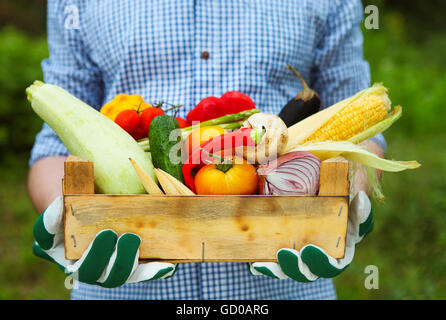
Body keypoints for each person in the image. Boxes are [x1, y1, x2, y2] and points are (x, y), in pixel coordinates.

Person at [28, 0, 386, 300]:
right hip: (121, 275)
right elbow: (54, 144)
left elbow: (358, 127)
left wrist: (347, 201)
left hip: (289, 274)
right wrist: (68, 217)